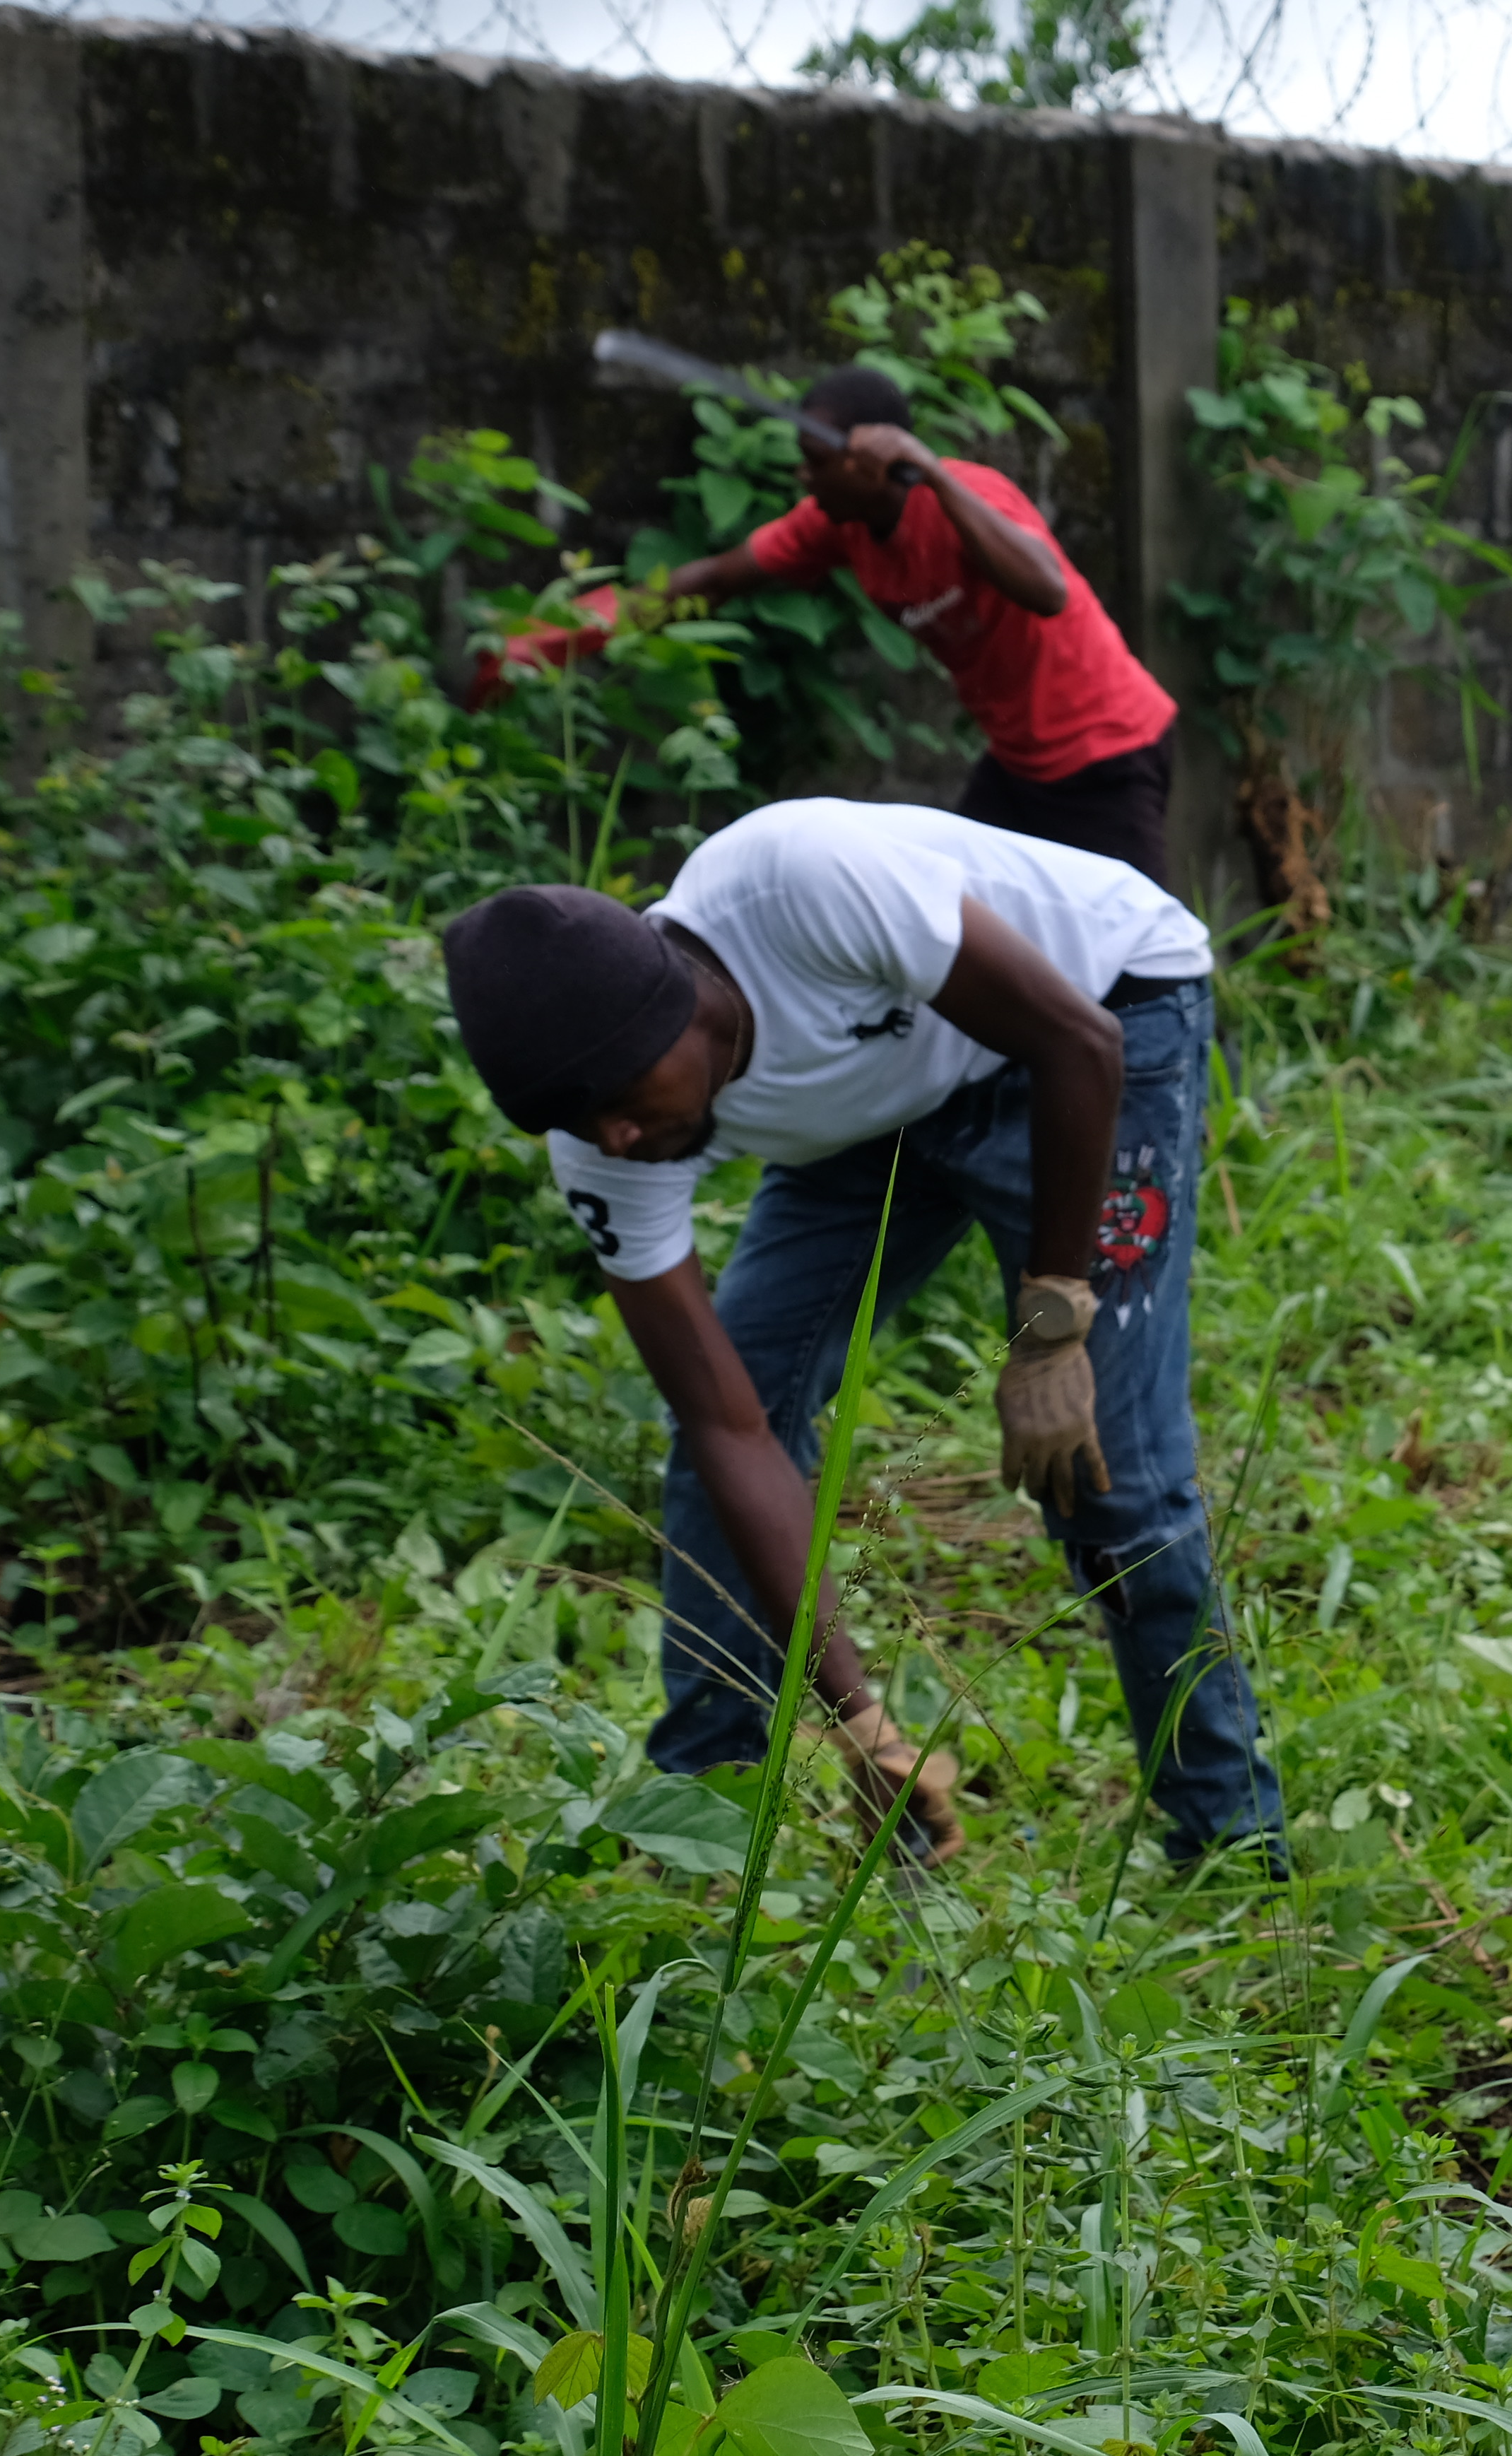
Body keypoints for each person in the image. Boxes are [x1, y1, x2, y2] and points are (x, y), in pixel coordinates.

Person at [437, 798, 1283, 1868]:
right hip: (883, 1106)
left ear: (684, 1008)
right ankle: (702, 1819)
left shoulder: (804, 884)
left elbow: (1077, 1040)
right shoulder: (609, 1141)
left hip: (1098, 1010)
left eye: (620, 1101)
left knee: (1114, 1469)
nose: (614, 1137)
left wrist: (1050, 1329)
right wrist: (857, 1712)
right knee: (724, 1415)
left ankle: (1234, 1842)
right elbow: (730, 1425)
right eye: (573, 1123)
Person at [654, 368, 1185, 885]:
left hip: (1109, 750)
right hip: (1018, 763)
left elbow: (1048, 591)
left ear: (870, 463)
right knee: (962, 921)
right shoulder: (837, 524)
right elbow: (719, 577)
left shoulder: (970, 497)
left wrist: (933, 472)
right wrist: (591, 621)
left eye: (816, 461)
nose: (803, 476)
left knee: (1144, 953)